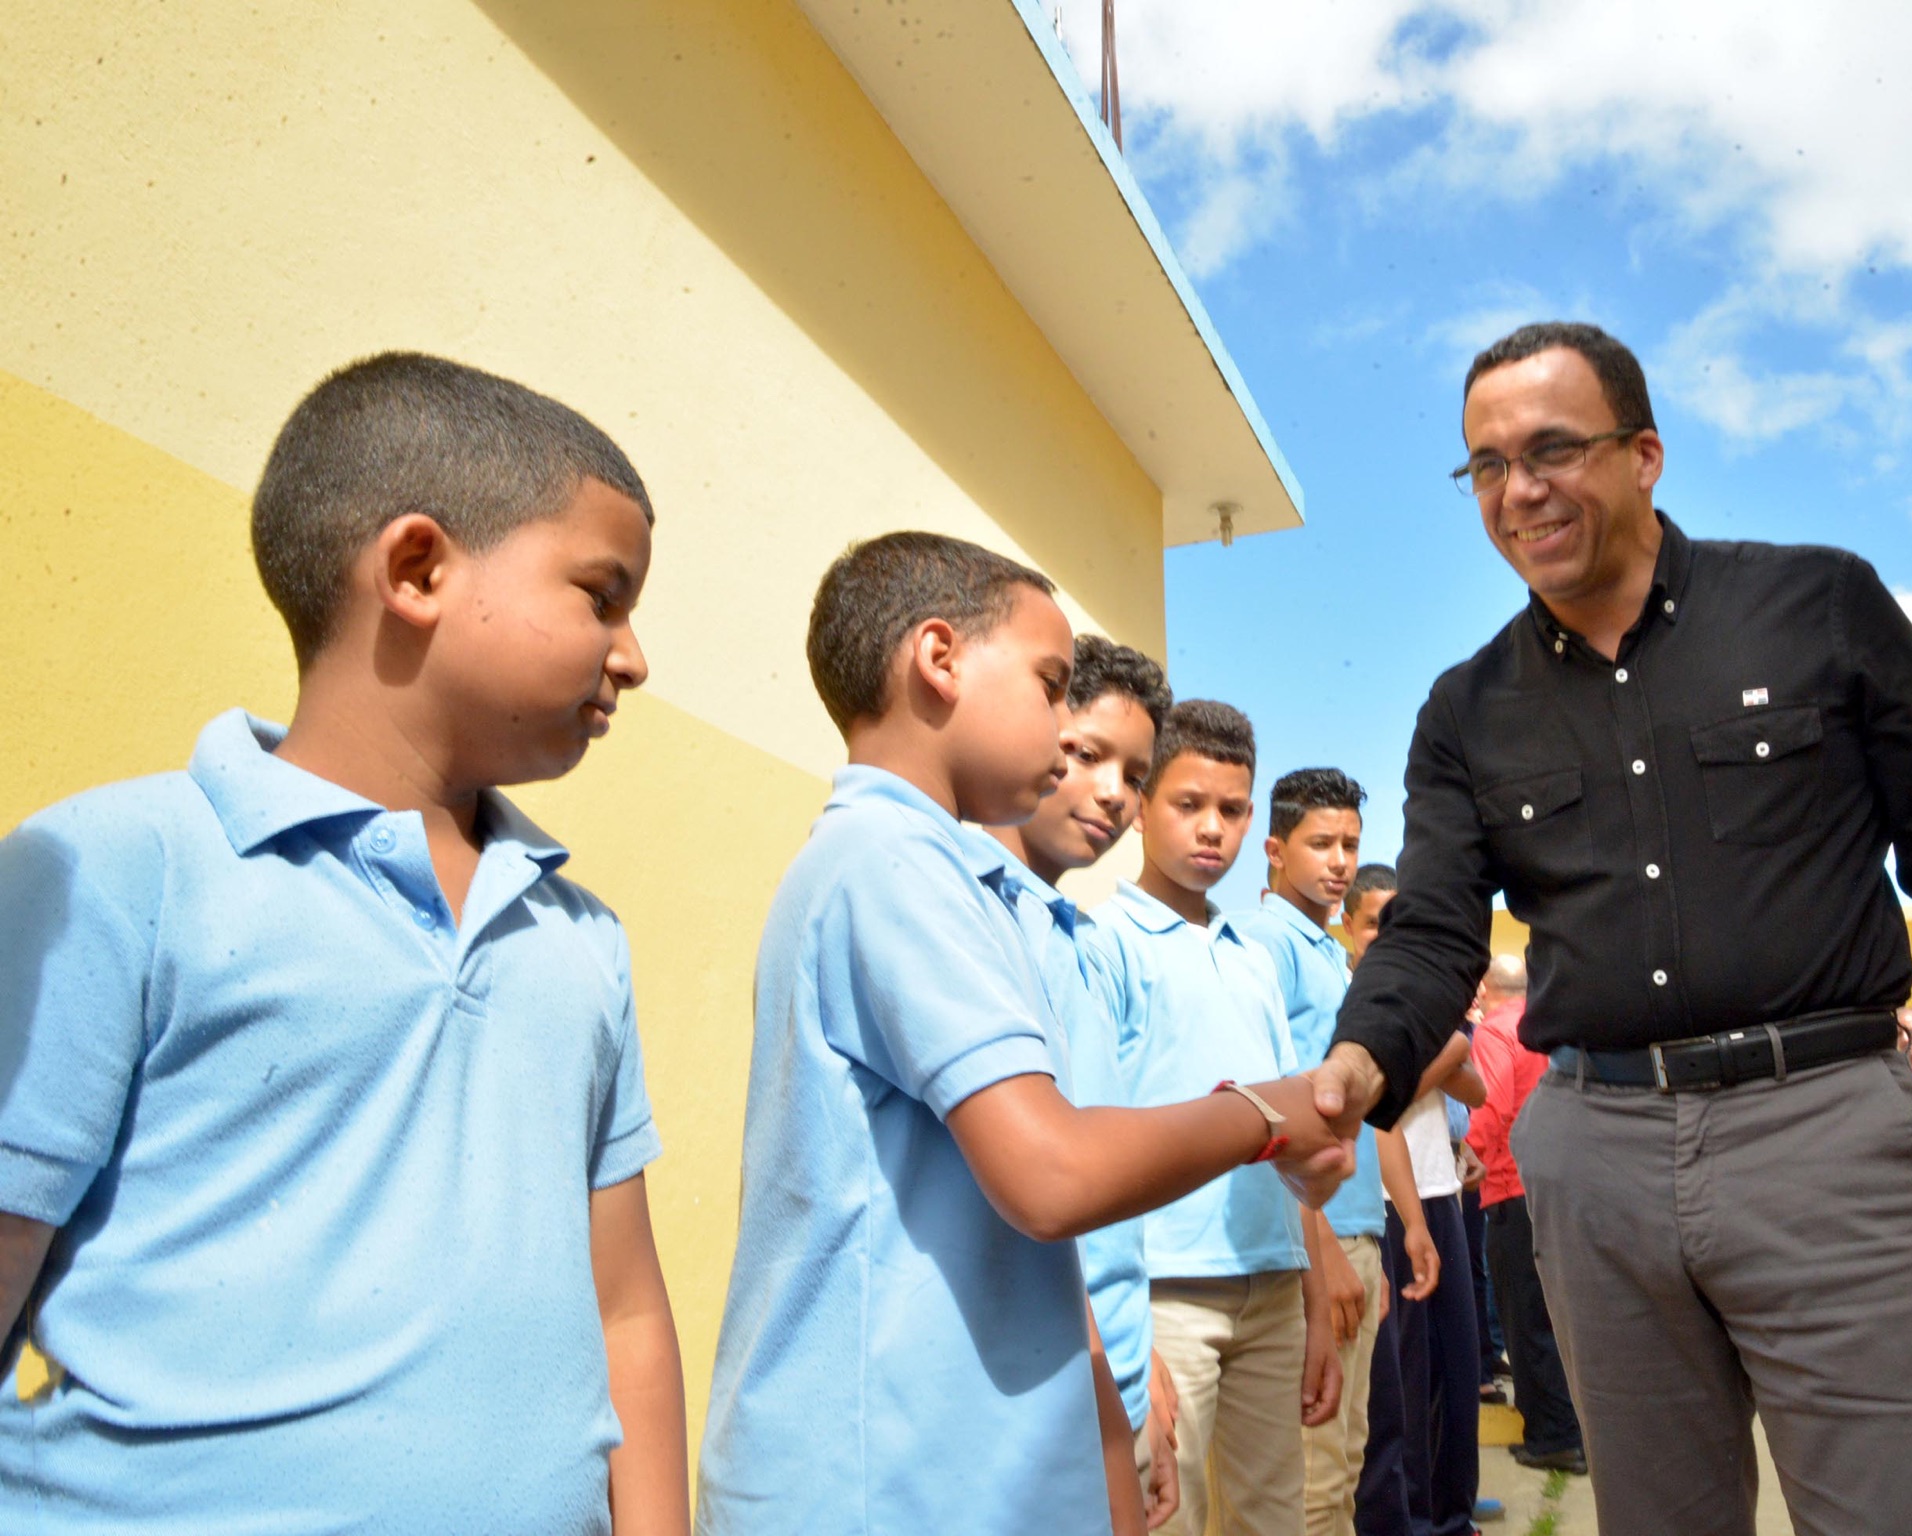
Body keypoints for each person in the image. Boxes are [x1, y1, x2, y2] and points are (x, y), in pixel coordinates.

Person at [1315, 320, 1912, 1536]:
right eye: (1484, 465)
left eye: (1550, 450)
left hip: (1825, 1136)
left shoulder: (1815, 604)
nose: (1517, 491)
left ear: (1644, 455)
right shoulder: (1464, 708)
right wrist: (1358, 1066)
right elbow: (1428, 933)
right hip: (1596, 1161)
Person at [0, 353, 688, 1533]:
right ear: (418, 569)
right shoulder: (127, 870)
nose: (631, 655)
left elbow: (625, 1308)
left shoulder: (579, 939)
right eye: (600, 593)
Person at [695, 538, 1346, 1536]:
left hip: (973, 1458)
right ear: (939, 659)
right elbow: (1051, 1174)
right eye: (1051, 690)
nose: (1066, 736)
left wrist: (1110, 1403)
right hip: (883, 1482)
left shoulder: (958, 888)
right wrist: (1266, 1113)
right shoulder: (890, 867)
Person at [1083, 701, 1345, 1536]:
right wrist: (1128, 1338)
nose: (1212, 830)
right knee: (1170, 1515)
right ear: (1141, 806)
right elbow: (1091, 1143)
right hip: (1166, 1295)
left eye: (1232, 810)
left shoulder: (1251, 959)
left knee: (1277, 1518)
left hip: (1271, 1286)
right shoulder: (1105, 941)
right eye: (1187, 804)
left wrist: (1313, 1287)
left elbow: (1288, 1136)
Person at [977, 632, 1183, 1529]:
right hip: (1051, 1397)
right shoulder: (981, 928)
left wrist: (1147, 1367)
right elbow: (1041, 1196)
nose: (1115, 794)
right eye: (1088, 754)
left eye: (1134, 776)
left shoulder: (1076, 940)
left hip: (1118, 1378)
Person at [1240, 769, 1399, 1536]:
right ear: (1274, 849)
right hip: (1315, 1240)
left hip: (1355, 1233)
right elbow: (1269, 1112)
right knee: (1311, 1477)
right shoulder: (1267, 944)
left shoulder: (1328, 950)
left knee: (1345, 1464)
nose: (1340, 862)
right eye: (1321, 843)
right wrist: (1327, 1250)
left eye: (1351, 845)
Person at [1356, 880, 1485, 1536]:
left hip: (1439, 1193)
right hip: (1386, 1206)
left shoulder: (1422, 1005)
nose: (1387, 937)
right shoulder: (1356, 1009)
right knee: (1403, 1381)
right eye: (1375, 923)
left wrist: (1424, 1060)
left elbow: (1477, 1085)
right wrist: (1439, 1053)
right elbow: (1374, 1115)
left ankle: (1451, 1513)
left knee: (1456, 1368)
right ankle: (1411, 1515)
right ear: (1353, 932)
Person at [1464, 953, 1586, 1474]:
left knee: (1525, 1320)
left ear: (1485, 989)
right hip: (1564, 1182)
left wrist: (1468, 1157)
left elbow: (1489, 1104)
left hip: (1511, 1185)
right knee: (1563, 1319)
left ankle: (1551, 1437)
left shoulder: (1493, 1034)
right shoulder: (1552, 1026)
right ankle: (1575, 1428)